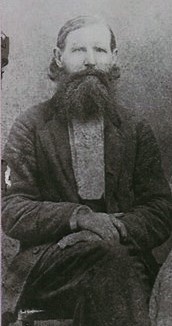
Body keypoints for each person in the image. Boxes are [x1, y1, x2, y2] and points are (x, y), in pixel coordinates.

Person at [2, 15, 172, 326]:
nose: (91, 61)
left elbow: (161, 209)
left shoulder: (134, 129)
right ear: (59, 58)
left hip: (122, 253)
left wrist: (116, 227)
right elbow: (13, 210)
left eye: (100, 51)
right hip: (50, 263)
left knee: (117, 266)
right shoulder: (31, 125)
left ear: (114, 59)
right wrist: (78, 217)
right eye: (79, 50)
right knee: (114, 267)